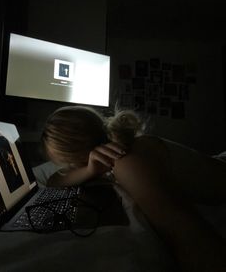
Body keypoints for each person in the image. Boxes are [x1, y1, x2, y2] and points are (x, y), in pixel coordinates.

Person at [41, 105, 226, 272]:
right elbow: (55, 181)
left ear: (74, 159)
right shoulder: (117, 154)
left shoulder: (127, 162)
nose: (69, 169)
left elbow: (194, 244)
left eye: (68, 164)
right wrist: (89, 170)